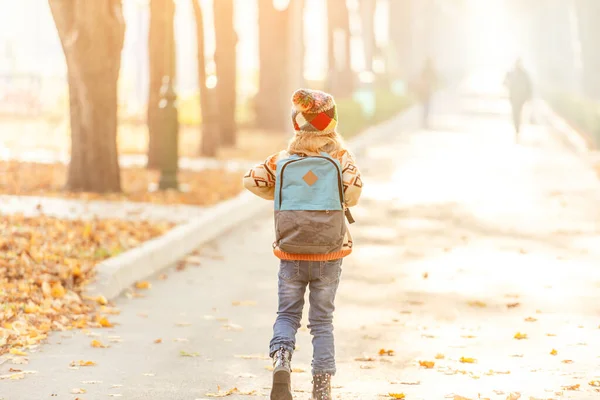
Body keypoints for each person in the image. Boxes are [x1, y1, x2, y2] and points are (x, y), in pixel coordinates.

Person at [243, 89, 363, 400]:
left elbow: (250, 179)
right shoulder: (340, 158)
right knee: (322, 321)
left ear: (298, 124)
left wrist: (285, 192)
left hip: (291, 249)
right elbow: (353, 193)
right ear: (330, 123)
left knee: (287, 315)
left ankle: (281, 361)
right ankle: (321, 387)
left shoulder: (282, 160)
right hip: (329, 252)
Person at [504, 59, 533, 142]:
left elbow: (529, 86)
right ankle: (516, 128)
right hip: (513, 97)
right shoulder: (511, 73)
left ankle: (518, 128)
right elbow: (504, 82)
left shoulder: (524, 74)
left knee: (518, 113)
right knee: (515, 113)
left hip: (521, 98)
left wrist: (529, 96)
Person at [416, 57, 438, 128]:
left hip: (426, 90)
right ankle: (424, 121)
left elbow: (434, 79)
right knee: (426, 106)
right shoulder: (427, 70)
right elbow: (434, 79)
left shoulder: (426, 70)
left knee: (426, 106)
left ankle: (425, 121)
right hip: (426, 90)